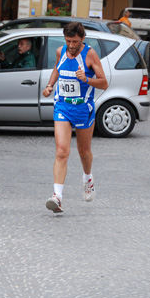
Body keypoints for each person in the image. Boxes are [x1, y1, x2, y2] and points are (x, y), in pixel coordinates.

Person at [42, 22, 108, 213]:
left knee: (83, 152)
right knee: (62, 151)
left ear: (82, 39)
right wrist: (50, 85)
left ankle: (88, 178)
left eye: (75, 41)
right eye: (68, 40)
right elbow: (57, 68)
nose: (71, 45)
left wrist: (86, 79)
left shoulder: (90, 55)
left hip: (83, 108)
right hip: (62, 106)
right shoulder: (60, 50)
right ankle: (57, 197)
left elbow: (104, 83)